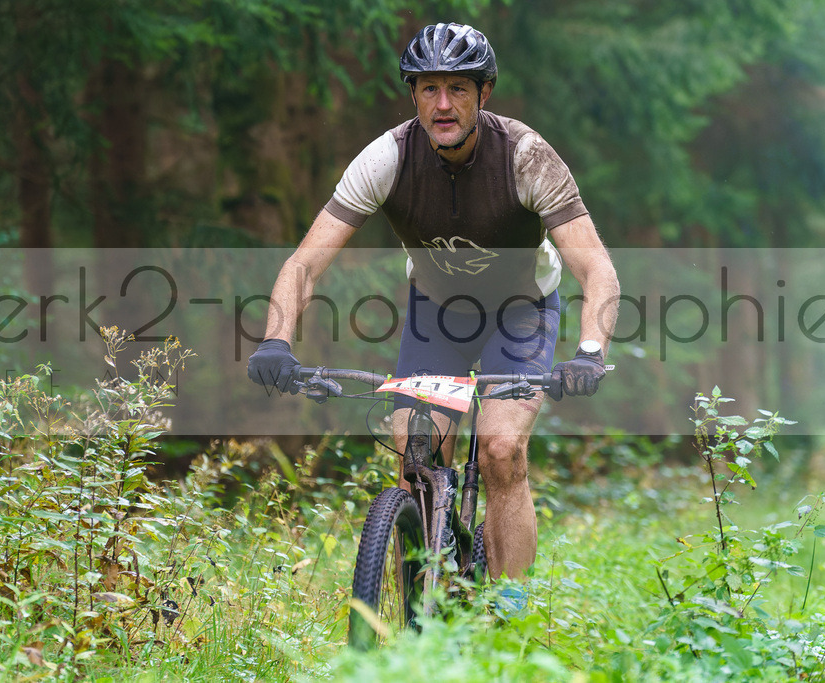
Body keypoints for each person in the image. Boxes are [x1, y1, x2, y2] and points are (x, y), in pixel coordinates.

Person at [247, 22, 619, 599]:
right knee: (415, 457)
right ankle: (425, 610)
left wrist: (590, 351)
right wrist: (275, 340)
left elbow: (596, 268)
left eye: (459, 89)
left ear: (484, 94)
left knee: (500, 449)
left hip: (521, 311)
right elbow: (304, 263)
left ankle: (508, 618)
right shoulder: (387, 159)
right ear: (413, 94)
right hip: (438, 315)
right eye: (428, 89)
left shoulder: (525, 156)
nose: (443, 104)